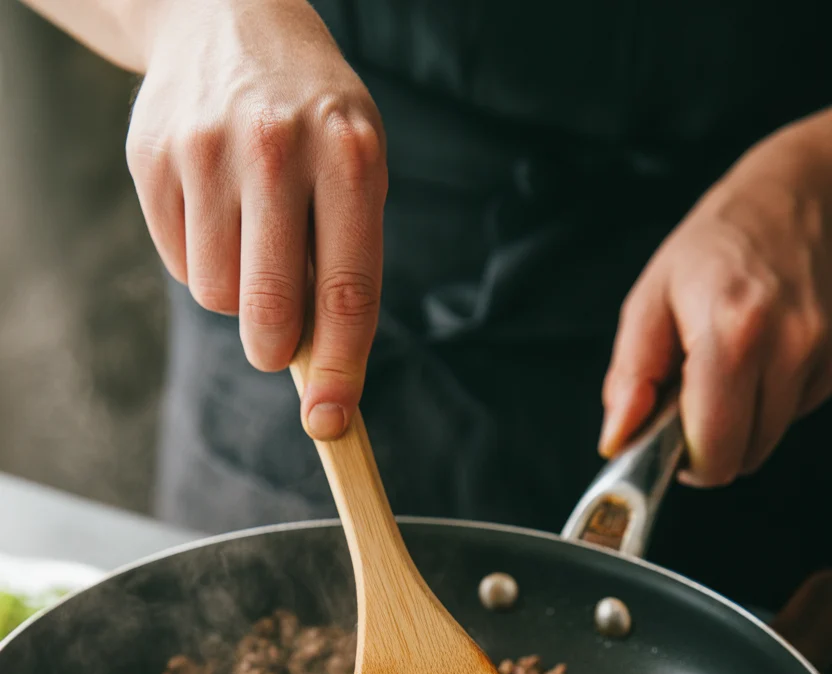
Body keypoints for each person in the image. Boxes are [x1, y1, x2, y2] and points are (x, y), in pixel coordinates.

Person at [18, 0, 832, 608]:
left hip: (771, 315)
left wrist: (815, 179)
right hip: (292, 198)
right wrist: (193, 17)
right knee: (227, 628)